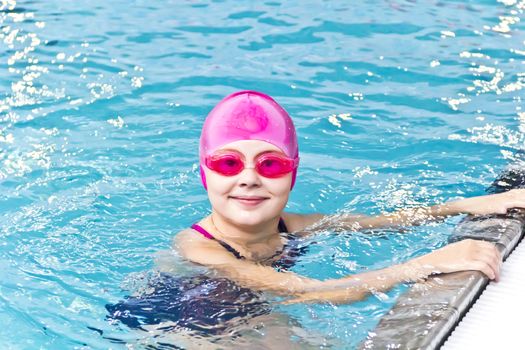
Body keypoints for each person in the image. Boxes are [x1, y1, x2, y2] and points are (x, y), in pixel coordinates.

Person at [107, 90, 525, 339]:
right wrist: (427, 264)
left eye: (270, 165)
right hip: (177, 329)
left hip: (248, 314)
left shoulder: (293, 225)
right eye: (229, 164)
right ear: (204, 175)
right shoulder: (200, 249)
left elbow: (382, 222)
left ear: (293, 173)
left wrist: (469, 206)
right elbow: (309, 291)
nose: (249, 179)